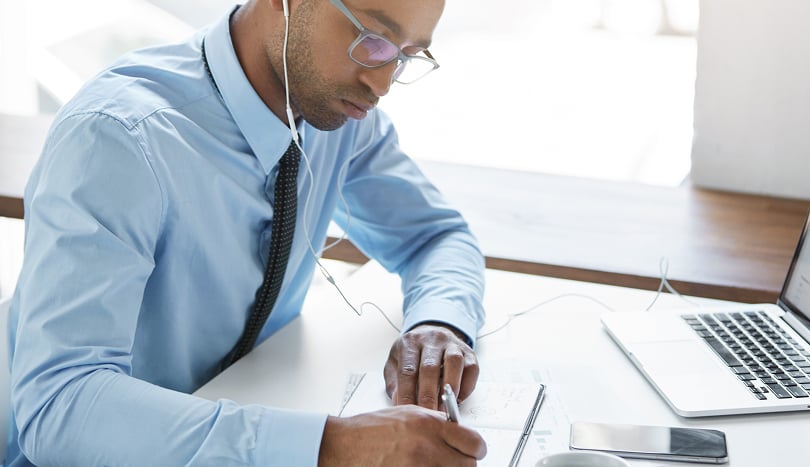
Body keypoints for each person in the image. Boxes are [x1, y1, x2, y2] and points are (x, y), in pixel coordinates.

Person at [6, 0, 488, 465]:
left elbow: (435, 237)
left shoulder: (335, 113)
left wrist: (439, 323)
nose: (381, 83)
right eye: (372, 39)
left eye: (407, 55)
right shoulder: (117, 138)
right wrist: (331, 448)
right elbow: (59, 408)